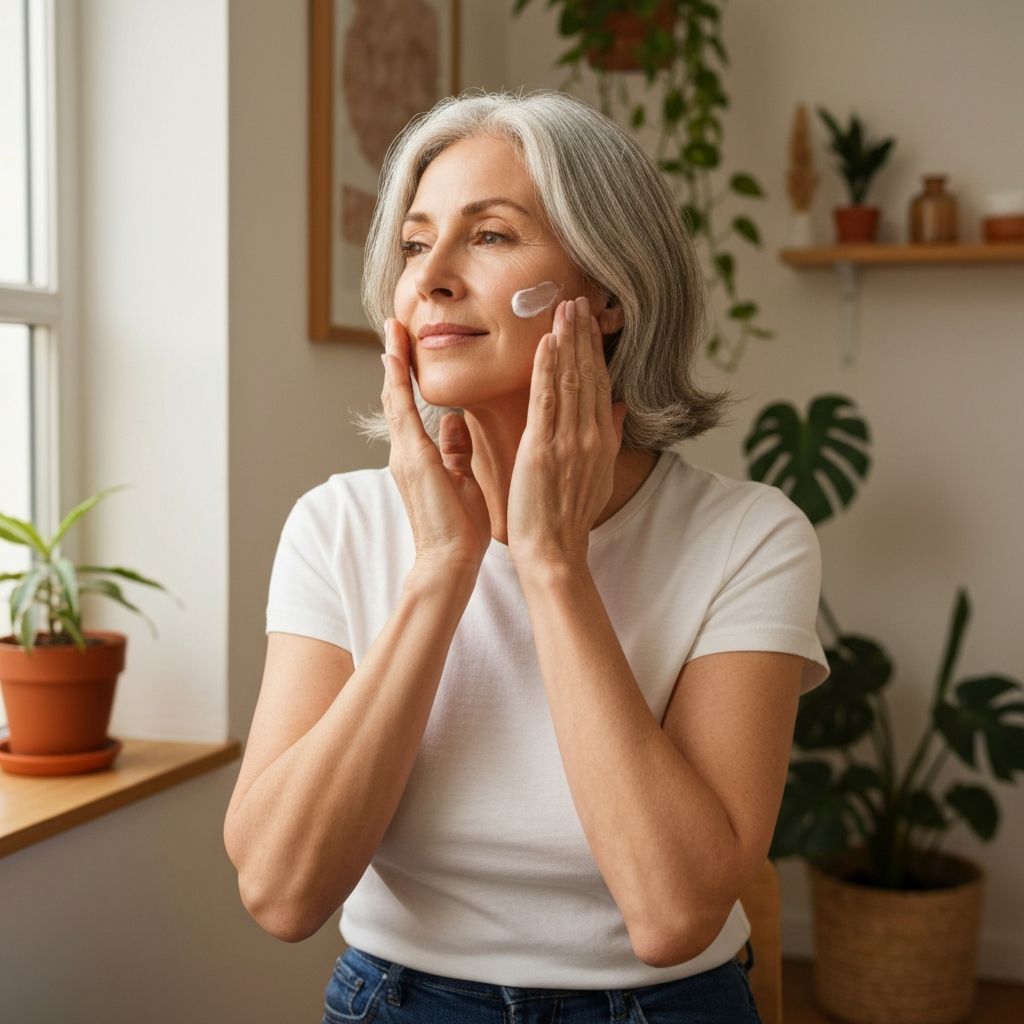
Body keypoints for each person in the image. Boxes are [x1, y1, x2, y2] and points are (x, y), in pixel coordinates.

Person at [224, 87, 830, 1024]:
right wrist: (440, 571)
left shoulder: (749, 539)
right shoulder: (336, 526)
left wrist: (553, 566)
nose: (431, 278)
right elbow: (281, 893)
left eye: (492, 235)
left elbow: (673, 914)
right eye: (417, 244)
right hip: (395, 1001)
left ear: (612, 290)